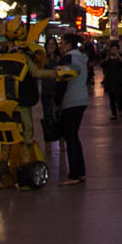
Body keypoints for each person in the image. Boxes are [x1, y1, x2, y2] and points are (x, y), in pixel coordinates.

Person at [57, 33, 88, 185]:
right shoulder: (82, 58)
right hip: (82, 99)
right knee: (74, 136)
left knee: (70, 136)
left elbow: (62, 81)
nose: (60, 46)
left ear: (69, 45)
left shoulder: (67, 59)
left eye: (62, 42)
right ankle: (80, 172)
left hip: (71, 100)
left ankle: (74, 174)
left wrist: (57, 101)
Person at [101, 42, 122, 120]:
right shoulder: (108, 58)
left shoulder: (121, 57)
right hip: (110, 79)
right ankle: (114, 113)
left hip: (119, 80)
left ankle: (121, 109)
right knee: (111, 97)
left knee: (120, 96)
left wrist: (119, 57)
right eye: (112, 49)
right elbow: (102, 65)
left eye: (115, 49)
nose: (114, 51)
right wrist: (107, 58)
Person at [40, 37, 59, 121]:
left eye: (53, 44)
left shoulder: (59, 58)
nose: (51, 46)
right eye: (49, 44)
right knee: (47, 115)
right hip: (46, 91)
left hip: (57, 90)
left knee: (57, 115)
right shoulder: (42, 58)